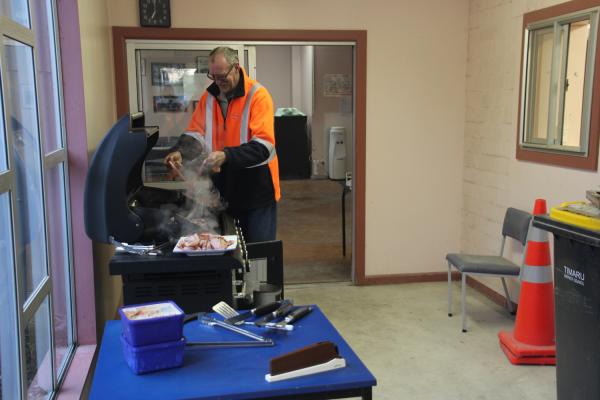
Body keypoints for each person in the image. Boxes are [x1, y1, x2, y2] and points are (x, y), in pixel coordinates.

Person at [165, 46, 280, 242]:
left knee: (258, 255)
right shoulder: (209, 98)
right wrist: (180, 152)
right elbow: (196, 134)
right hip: (223, 190)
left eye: (222, 75)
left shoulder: (258, 96)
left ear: (236, 67)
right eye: (213, 76)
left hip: (256, 191)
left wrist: (225, 155)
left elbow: (263, 146)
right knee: (229, 254)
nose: (218, 81)